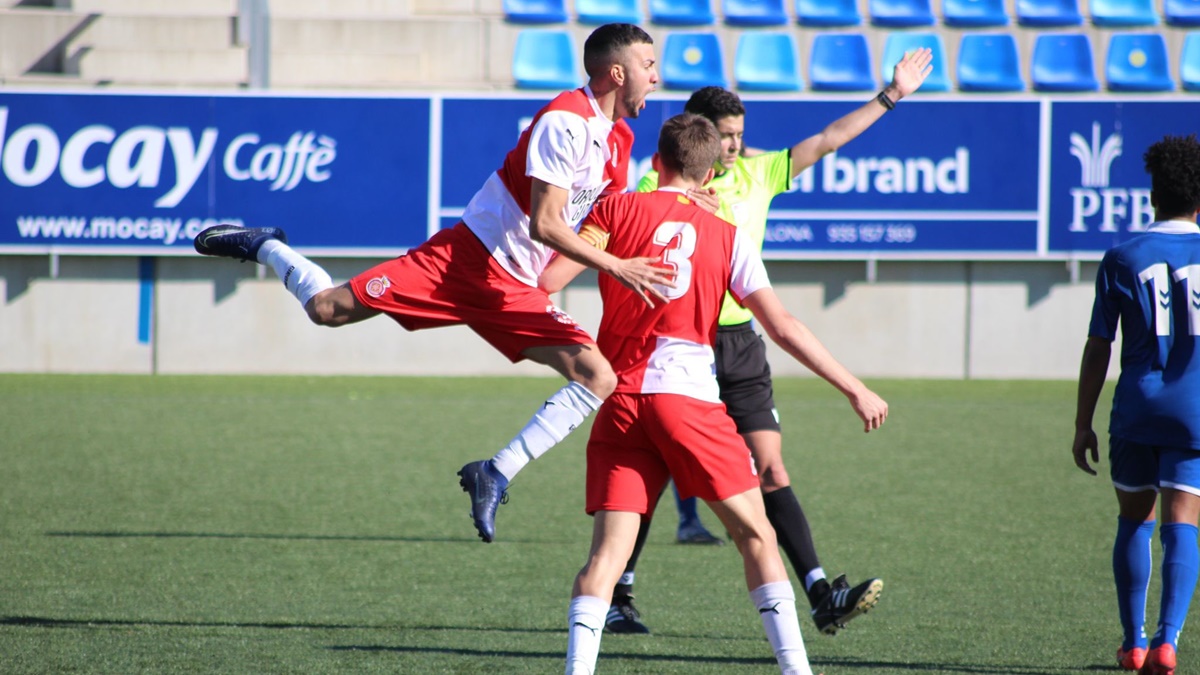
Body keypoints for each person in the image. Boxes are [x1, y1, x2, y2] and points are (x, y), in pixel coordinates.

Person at [191, 23, 669, 544]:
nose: (657, 77)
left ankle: (494, 471)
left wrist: (684, 200)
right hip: (468, 262)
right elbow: (547, 224)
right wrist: (617, 266)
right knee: (327, 309)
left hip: (513, 285)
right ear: (617, 73)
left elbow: (609, 218)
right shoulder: (566, 123)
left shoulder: (618, 138)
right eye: (649, 66)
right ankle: (265, 245)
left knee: (596, 376)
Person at [596, 49, 933, 636]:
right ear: (696, 138)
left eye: (739, 136)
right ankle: (621, 593)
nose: (733, 147)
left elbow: (828, 139)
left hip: (740, 343)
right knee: (651, 471)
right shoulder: (656, 184)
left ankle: (821, 593)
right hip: (676, 343)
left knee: (771, 468)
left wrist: (893, 95)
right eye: (724, 137)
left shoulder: (758, 175)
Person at [549, 112, 888, 675]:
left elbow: (548, 282)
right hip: (687, 399)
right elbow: (782, 327)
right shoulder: (727, 234)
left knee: (605, 558)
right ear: (709, 177)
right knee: (756, 534)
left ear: (656, 162)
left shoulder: (613, 208)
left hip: (620, 400)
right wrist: (853, 387)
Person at [1072, 133, 1200, 675]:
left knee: (1134, 522)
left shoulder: (1121, 257)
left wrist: (1082, 423)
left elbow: (1098, 346)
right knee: (1184, 524)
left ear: (1151, 195)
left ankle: (1134, 643)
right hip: (1193, 412)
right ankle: (1169, 641)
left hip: (1135, 412)